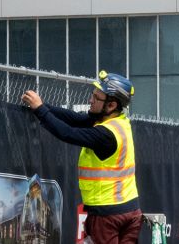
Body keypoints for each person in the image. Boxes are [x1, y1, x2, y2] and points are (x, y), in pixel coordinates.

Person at [22, 71, 141, 244]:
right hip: (131, 211)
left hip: (107, 215)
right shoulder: (118, 123)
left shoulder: (105, 134)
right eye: (92, 95)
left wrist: (40, 110)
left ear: (111, 105)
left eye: (96, 98)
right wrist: (41, 106)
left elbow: (67, 133)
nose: (90, 100)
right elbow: (74, 118)